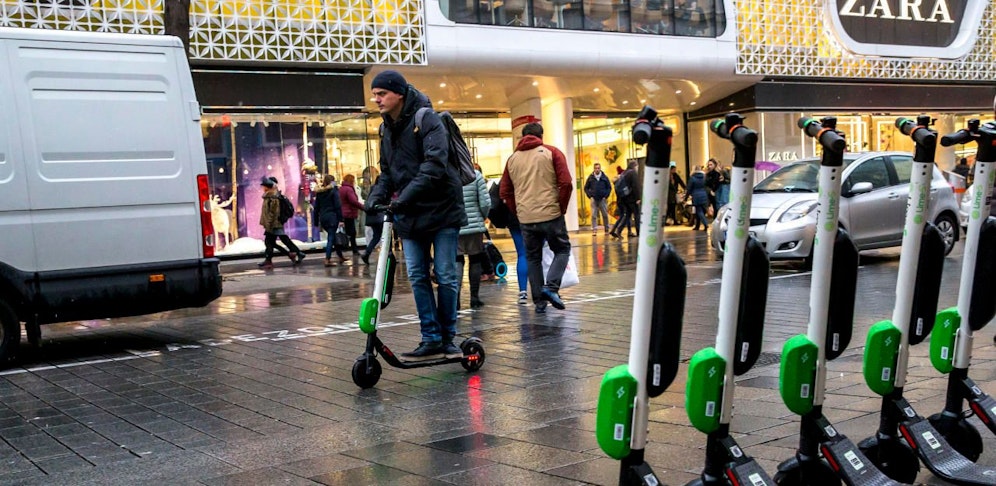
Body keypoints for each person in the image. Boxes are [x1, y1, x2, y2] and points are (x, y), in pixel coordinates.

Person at [364, 70, 467, 361]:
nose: (377, 99)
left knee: (445, 275)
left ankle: (448, 337)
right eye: (375, 94)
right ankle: (430, 337)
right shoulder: (385, 129)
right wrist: (375, 198)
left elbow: (435, 166)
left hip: (442, 210)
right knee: (417, 276)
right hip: (409, 215)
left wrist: (402, 200)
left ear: (398, 93)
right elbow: (387, 173)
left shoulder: (427, 119)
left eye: (381, 93)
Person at [499, 122, 573, 314]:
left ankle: (539, 302)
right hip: (551, 214)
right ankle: (551, 287)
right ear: (541, 136)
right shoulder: (552, 152)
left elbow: (504, 191)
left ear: (522, 136)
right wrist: (561, 207)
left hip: (526, 218)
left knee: (533, 257)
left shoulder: (512, 159)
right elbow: (566, 183)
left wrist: (519, 211)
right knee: (562, 249)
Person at [457, 168, 491, 310]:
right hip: (474, 226)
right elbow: (485, 202)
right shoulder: (475, 175)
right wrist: (481, 217)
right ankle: (474, 297)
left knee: (456, 261)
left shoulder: (447, 174)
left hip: (455, 225)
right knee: (475, 259)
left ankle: (455, 299)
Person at [258, 176, 305, 269]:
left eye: (264, 186)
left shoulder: (273, 197)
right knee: (278, 240)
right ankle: (295, 253)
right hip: (273, 223)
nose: (262, 188)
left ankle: (270, 260)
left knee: (270, 242)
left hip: (274, 224)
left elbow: (273, 213)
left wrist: (269, 224)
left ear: (269, 186)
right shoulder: (269, 196)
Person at [313, 174, 347, 267]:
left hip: (323, 218)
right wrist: (341, 219)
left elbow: (316, 208)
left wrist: (316, 221)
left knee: (333, 237)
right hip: (332, 217)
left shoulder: (320, 193)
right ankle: (327, 259)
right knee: (331, 238)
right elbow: (338, 206)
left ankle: (340, 256)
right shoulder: (333, 191)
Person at [610, 159, 642, 238]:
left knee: (627, 215)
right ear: (635, 166)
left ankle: (619, 230)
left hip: (624, 199)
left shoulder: (624, 173)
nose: (637, 168)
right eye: (637, 166)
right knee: (637, 215)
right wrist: (638, 198)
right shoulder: (632, 173)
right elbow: (635, 186)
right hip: (632, 199)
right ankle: (639, 232)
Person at [360, 174, 383, 266]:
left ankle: (367, 253)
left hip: (372, 216)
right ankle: (388, 255)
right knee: (385, 235)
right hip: (379, 215)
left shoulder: (372, 189)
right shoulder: (380, 189)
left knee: (377, 236)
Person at [584, 162, 612, 235]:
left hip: (602, 199)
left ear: (600, 168)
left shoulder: (604, 177)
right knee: (593, 215)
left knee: (605, 214)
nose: (597, 170)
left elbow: (609, 187)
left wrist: (606, 196)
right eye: (596, 168)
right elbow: (586, 188)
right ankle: (594, 229)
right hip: (594, 199)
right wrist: (590, 196)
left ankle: (606, 229)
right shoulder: (590, 178)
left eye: (598, 168)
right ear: (594, 169)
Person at [339, 174, 363, 258]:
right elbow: (353, 201)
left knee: (345, 231)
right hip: (349, 213)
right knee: (352, 232)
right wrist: (363, 207)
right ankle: (354, 249)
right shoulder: (349, 189)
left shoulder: (341, 188)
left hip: (342, 213)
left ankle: (343, 248)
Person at [687, 166, 710, 231]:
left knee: (699, 211)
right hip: (704, 195)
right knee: (701, 211)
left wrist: (686, 197)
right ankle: (697, 226)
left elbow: (689, 188)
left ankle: (705, 224)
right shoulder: (704, 177)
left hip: (696, 196)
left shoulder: (692, 178)